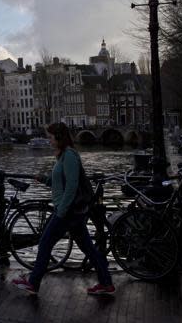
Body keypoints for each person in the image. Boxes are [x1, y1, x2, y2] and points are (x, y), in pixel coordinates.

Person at [12, 122, 115, 296]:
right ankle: (106, 283)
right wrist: (45, 180)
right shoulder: (63, 156)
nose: (49, 140)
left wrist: (61, 211)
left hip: (68, 212)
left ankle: (33, 283)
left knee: (45, 243)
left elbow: (72, 186)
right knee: (88, 248)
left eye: (51, 137)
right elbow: (62, 182)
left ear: (59, 137)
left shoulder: (69, 156)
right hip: (73, 212)